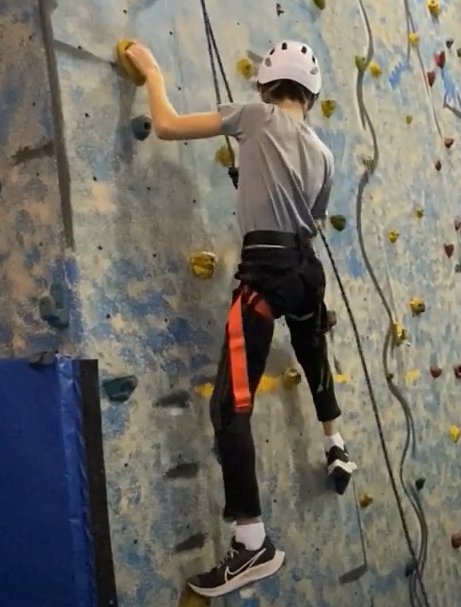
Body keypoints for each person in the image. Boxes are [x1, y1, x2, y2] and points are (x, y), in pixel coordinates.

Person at [123, 39, 358, 596]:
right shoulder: (324, 153)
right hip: (306, 272)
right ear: (311, 92)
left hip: (266, 270)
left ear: (266, 85)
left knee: (231, 405)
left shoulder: (254, 116)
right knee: (312, 351)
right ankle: (336, 441)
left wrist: (154, 72)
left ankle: (252, 544)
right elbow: (309, 215)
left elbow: (168, 126)